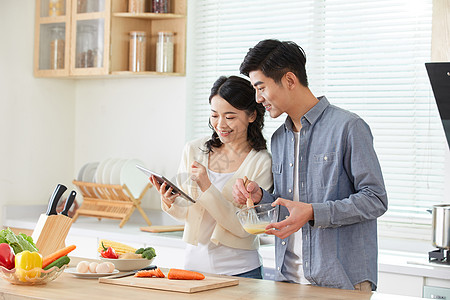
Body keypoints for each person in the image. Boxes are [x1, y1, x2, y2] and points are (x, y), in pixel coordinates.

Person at [232, 39, 388, 291]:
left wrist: (314, 212)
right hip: (288, 279)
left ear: (290, 80)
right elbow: (289, 204)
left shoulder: (348, 127)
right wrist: (260, 196)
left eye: (261, 88)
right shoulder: (279, 138)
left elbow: (376, 199)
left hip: (341, 281)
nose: (258, 99)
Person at [150, 75, 273, 279]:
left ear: (252, 115)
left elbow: (245, 228)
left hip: (241, 271)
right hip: (192, 267)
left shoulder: (261, 161)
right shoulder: (194, 149)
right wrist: (169, 200)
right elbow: (185, 213)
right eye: (214, 115)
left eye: (230, 117)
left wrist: (207, 186)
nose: (220, 124)